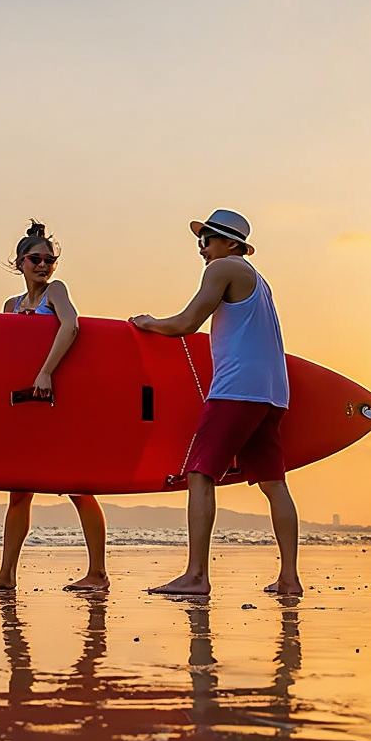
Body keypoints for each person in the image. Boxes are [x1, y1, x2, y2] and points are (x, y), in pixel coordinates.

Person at [130, 209, 302, 596]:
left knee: (200, 473)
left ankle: (196, 576)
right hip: (273, 392)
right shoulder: (259, 281)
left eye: (205, 241)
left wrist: (149, 323)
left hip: (236, 389)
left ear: (228, 242)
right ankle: (290, 579)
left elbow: (187, 322)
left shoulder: (223, 268)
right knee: (275, 483)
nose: (201, 250)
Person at [0, 220, 109, 592]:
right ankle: (6, 574)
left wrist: (46, 372)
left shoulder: (55, 292)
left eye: (50, 259)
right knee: (19, 489)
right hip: (26, 403)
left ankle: (97, 573)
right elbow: (7, 355)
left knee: (79, 485)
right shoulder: (10, 306)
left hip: (58, 399)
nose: (44, 265)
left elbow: (71, 326)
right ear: (19, 262)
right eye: (36, 259)